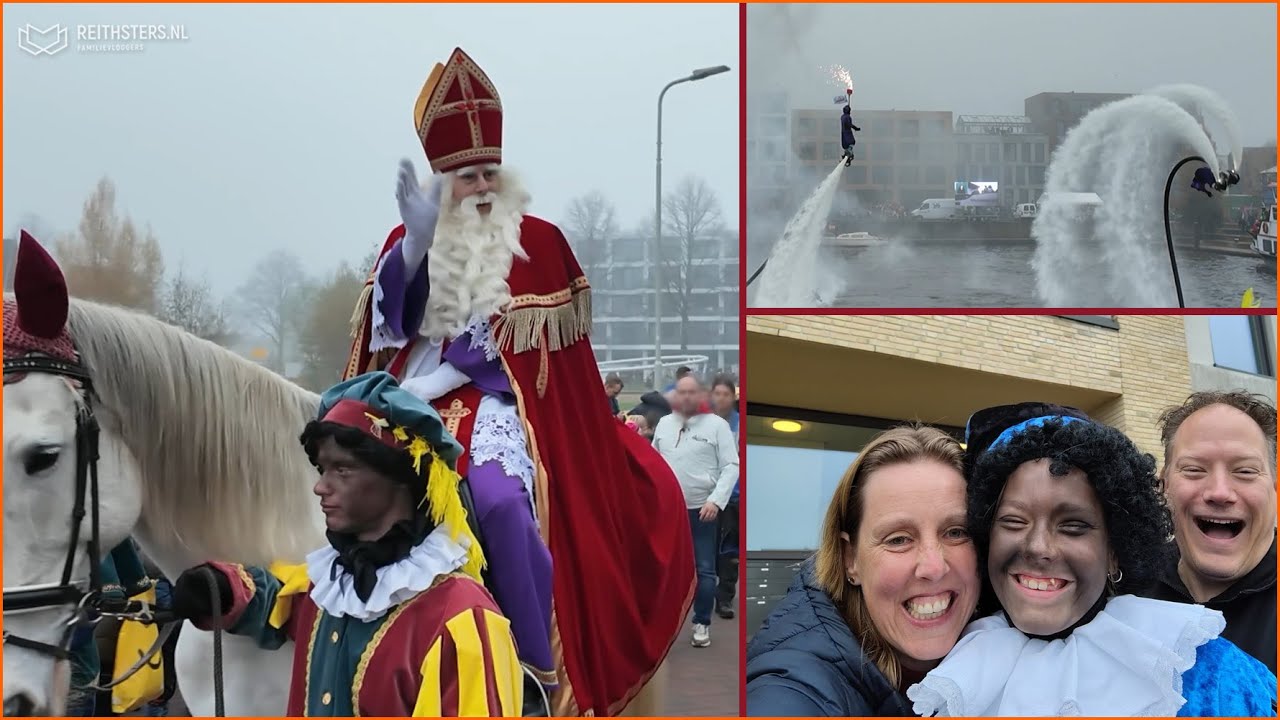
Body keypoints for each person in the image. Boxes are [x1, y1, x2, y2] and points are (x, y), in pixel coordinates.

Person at [341, 46, 692, 716]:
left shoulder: (540, 240)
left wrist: (453, 372)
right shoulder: (405, 234)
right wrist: (415, 248)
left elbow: (539, 367)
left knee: (500, 504)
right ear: (440, 179)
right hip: (401, 401)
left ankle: (536, 669)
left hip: (493, 407)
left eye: (487, 173)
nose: (479, 187)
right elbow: (387, 332)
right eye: (463, 175)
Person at [167, 372, 525, 716]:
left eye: (342, 469)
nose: (320, 487)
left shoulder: (460, 619)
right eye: (322, 470)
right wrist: (222, 591)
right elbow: (286, 608)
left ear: (399, 477)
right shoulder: (333, 586)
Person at [908, 403, 1277, 717]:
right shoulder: (943, 663)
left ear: (1114, 549)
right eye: (1013, 522)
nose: (1039, 547)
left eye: (1073, 526)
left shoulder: (1208, 675)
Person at [746, 426, 980, 716]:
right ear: (850, 559)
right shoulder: (793, 686)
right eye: (898, 539)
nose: (933, 567)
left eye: (956, 532)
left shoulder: (1007, 646)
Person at [1139, 391, 1277, 673]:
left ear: (1274, 489)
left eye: (1246, 471)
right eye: (1193, 469)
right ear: (1164, 485)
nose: (1219, 492)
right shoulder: (1125, 589)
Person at [652, 375, 740, 648]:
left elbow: (731, 465)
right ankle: (663, 627)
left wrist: (715, 500)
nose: (687, 397)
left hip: (703, 511)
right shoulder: (665, 425)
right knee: (663, 569)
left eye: (692, 392)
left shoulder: (717, 426)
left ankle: (701, 623)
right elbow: (653, 462)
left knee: (704, 570)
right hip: (669, 511)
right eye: (682, 392)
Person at [710, 376, 740, 619]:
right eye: (717, 393)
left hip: (735, 497)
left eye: (726, 394)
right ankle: (706, 592)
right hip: (708, 496)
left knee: (730, 552)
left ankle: (725, 598)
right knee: (708, 549)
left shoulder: (739, 424)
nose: (721, 398)